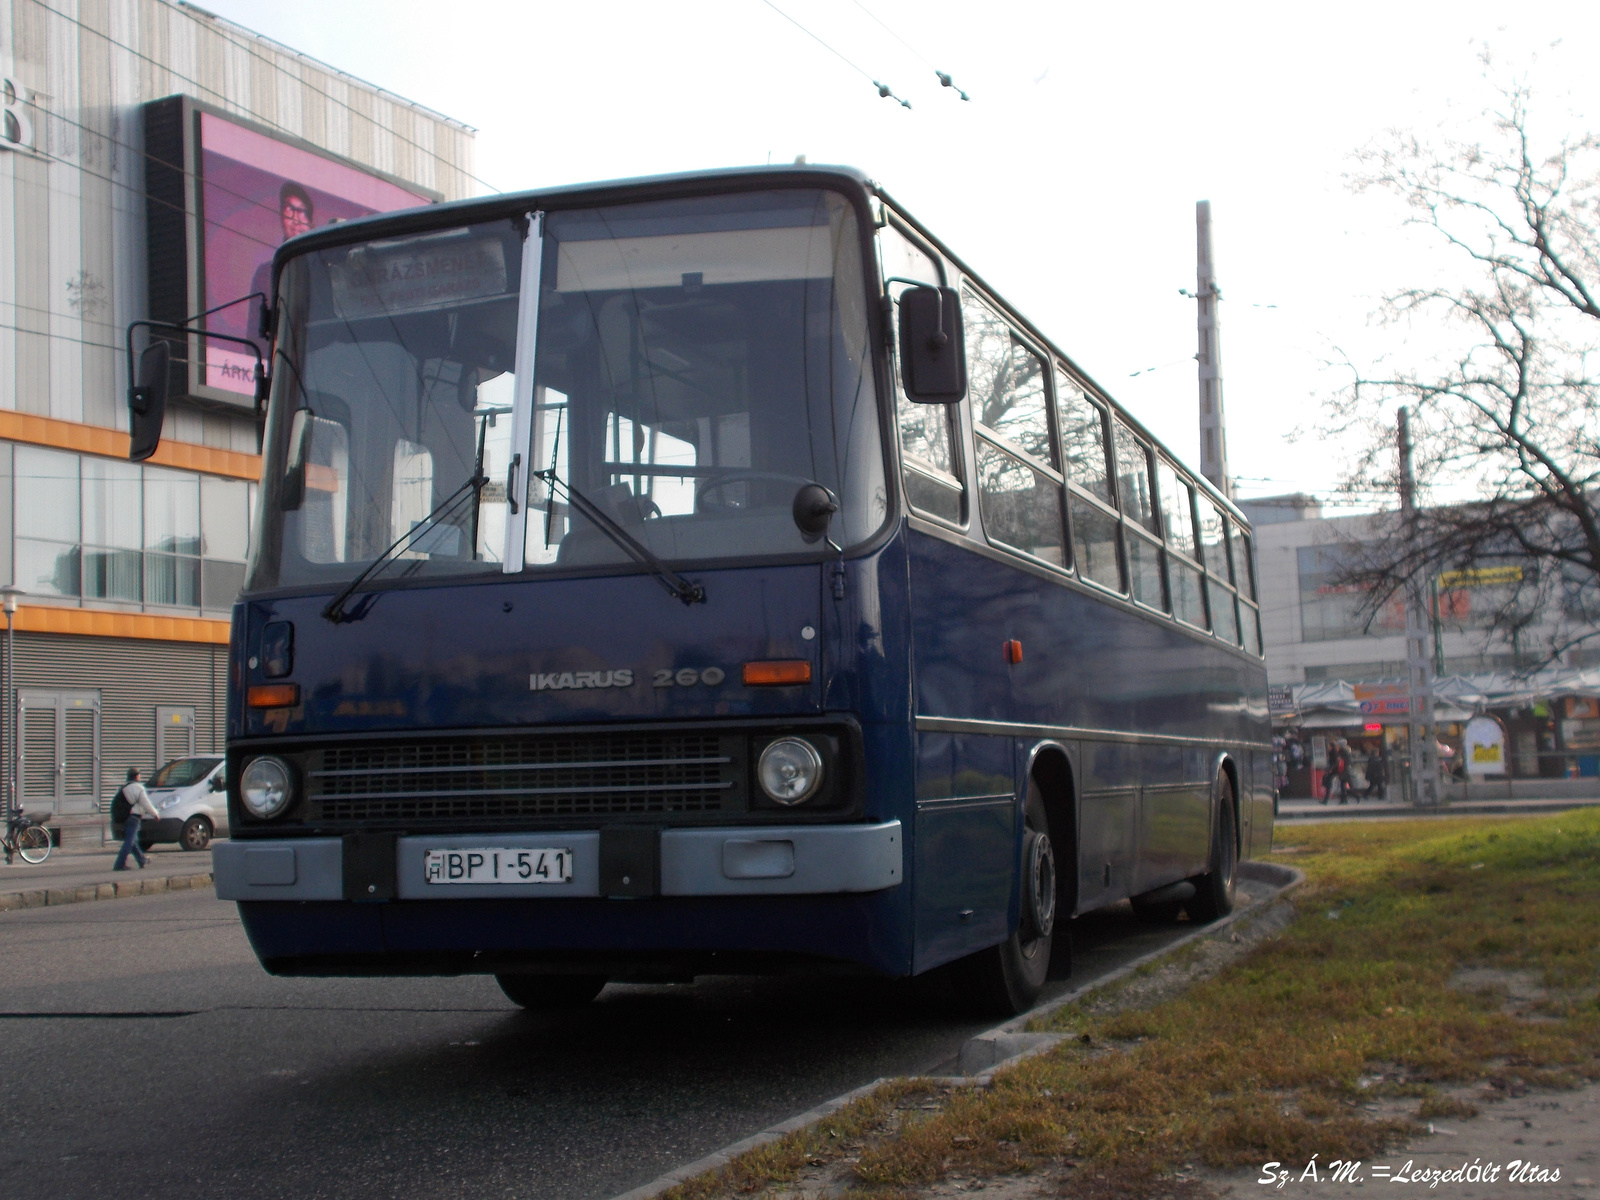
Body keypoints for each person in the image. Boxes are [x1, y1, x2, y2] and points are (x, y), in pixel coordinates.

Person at [113, 767, 156, 871]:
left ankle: (142, 860)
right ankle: (119, 864)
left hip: (125, 818)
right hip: (134, 818)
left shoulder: (124, 787)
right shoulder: (138, 788)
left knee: (133, 842)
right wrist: (155, 814)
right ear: (137, 776)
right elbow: (146, 803)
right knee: (129, 842)